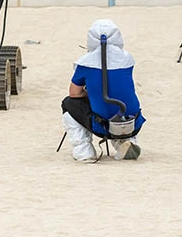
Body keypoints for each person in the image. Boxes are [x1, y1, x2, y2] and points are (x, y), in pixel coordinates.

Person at [61, 19, 145, 163]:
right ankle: (124, 142)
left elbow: (74, 93)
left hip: (102, 126)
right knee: (119, 102)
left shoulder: (85, 64)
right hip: (133, 122)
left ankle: (84, 151)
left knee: (68, 103)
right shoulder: (127, 60)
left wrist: (91, 93)